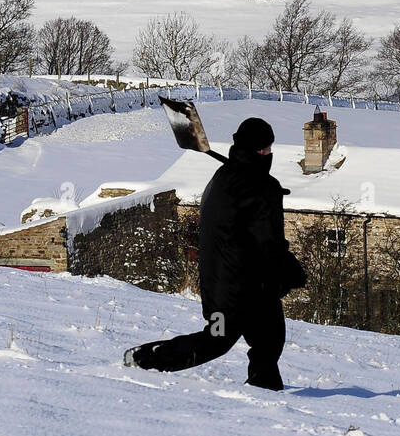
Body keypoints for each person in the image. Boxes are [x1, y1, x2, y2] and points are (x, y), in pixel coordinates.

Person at [124, 117, 306, 390]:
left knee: (241, 340)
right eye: (265, 150)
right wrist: (291, 271)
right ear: (256, 151)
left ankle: (264, 389)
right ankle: (146, 359)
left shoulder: (223, 179)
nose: (269, 154)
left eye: (269, 148)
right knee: (243, 340)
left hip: (219, 287)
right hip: (249, 289)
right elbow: (268, 243)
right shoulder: (260, 188)